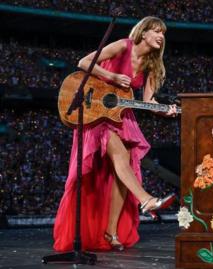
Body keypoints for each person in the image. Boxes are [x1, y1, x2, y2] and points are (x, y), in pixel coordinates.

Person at [53, 16, 177, 252]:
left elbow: (148, 101)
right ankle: (146, 200)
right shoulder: (122, 45)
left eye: (163, 33)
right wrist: (111, 77)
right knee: (121, 157)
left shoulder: (153, 65)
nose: (161, 36)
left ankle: (111, 232)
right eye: (156, 31)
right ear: (143, 33)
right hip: (96, 113)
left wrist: (164, 111)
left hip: (122, 117)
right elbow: (84, 62)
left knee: (122, 171)